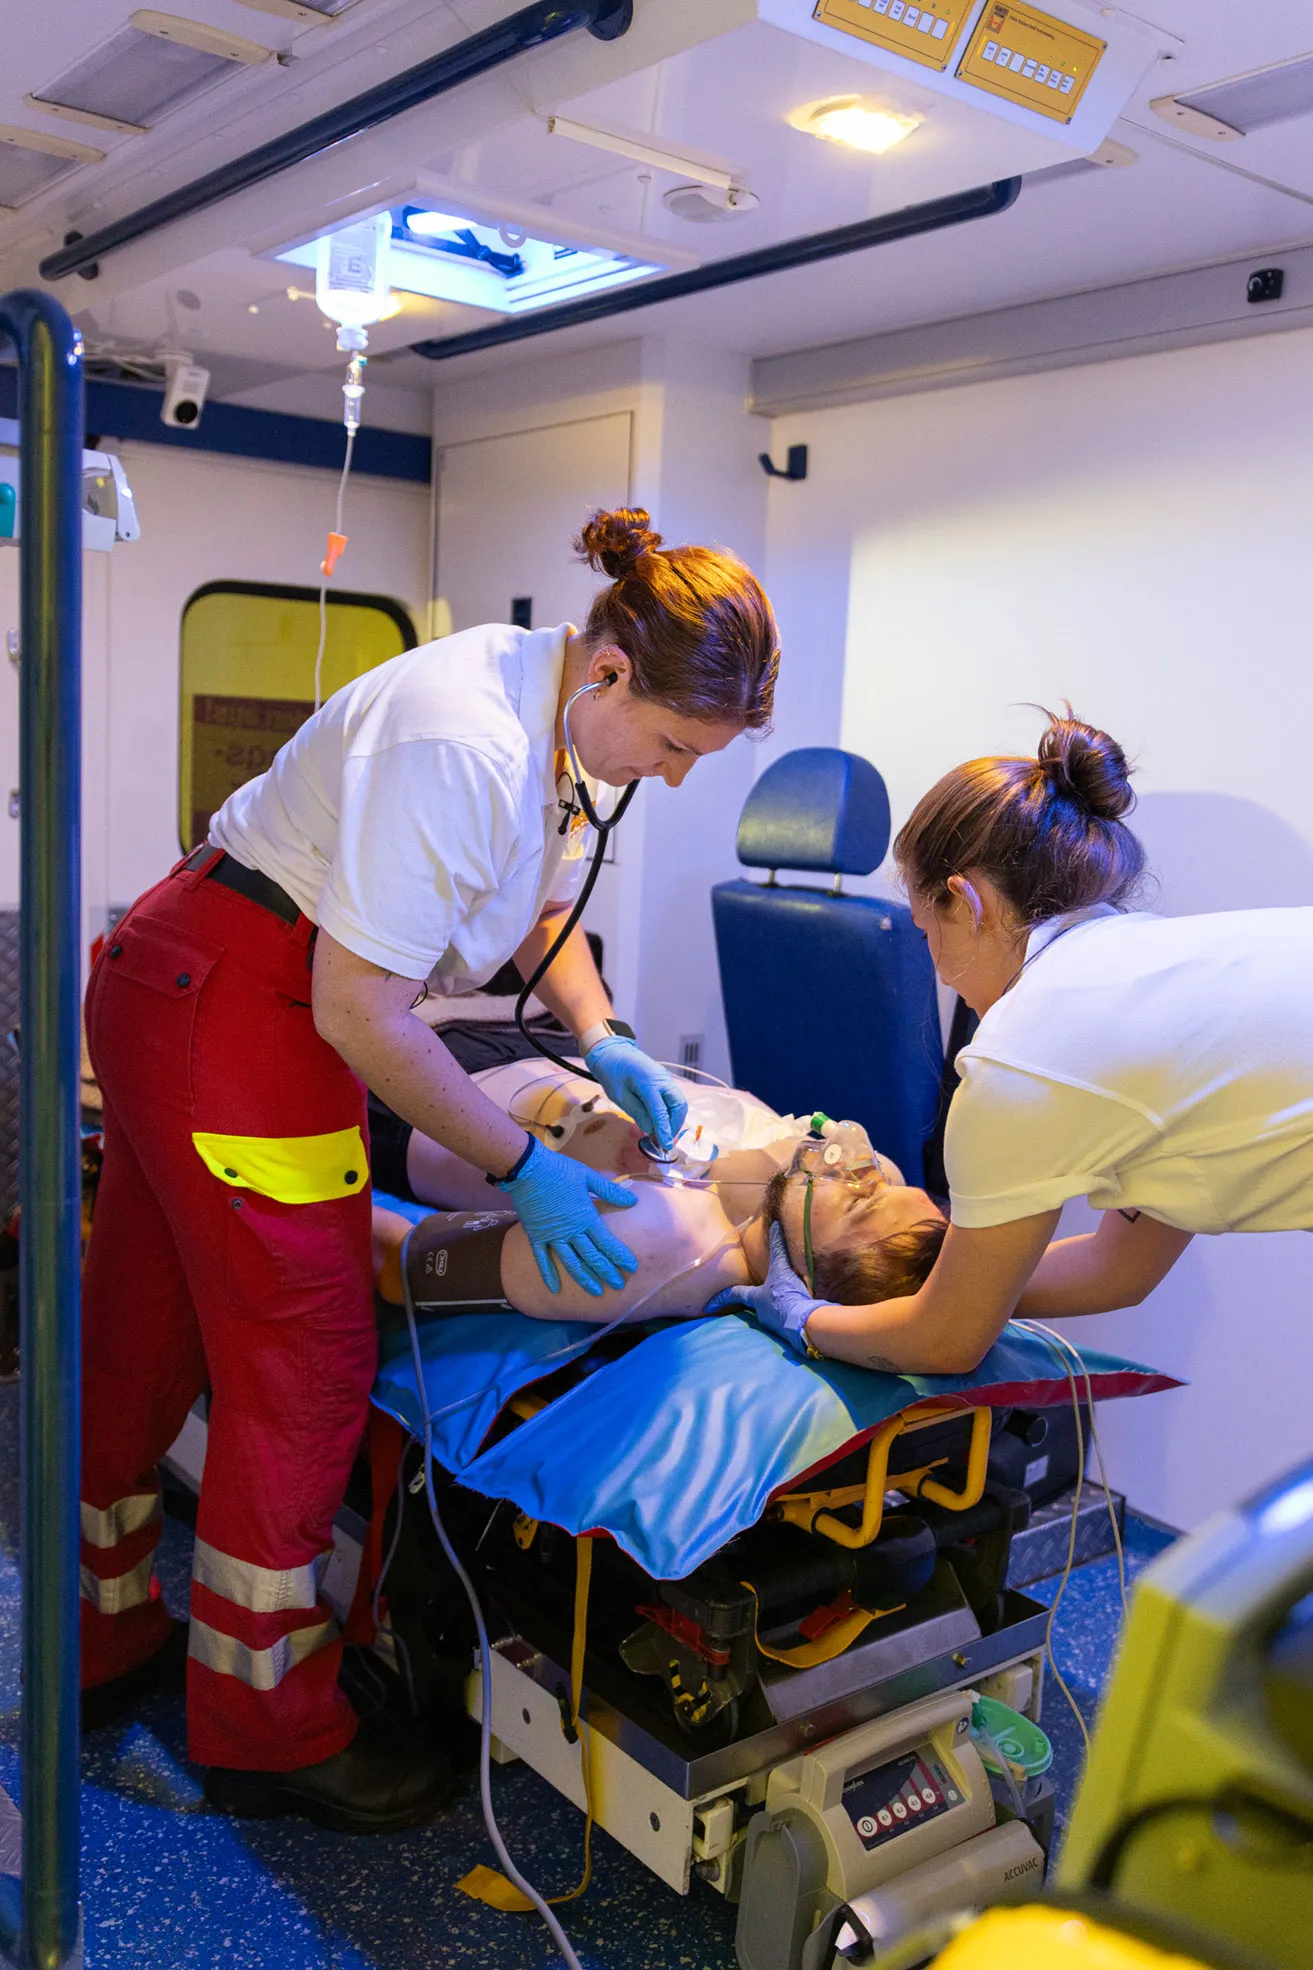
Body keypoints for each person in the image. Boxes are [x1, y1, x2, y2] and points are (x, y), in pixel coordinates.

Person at [78, 506, 779, 1831]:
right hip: (245, 1003)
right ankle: (266, 1723)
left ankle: (103, 1634)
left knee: (148, 1319)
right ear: (613, 676)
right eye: (679, 748)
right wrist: (522, 1161)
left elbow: (536, 910)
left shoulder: (555, 709)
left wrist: (605, 1037)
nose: (679, 777)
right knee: (310, 1350)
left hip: (199, 982)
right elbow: (362, 1015)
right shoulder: (467, 736)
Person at [729, 711, 1313, 1375]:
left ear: (965, 902)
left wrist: (808, 1321)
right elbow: (1117, 1270)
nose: (940, 972)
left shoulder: (1022, 1054)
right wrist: (948, 1287)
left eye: (927, 935)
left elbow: (945, 1342)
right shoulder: (1141, 973)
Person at [371, 1117, 946, 1326]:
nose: (862, 1166)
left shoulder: (658, 1244)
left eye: (861, 1198)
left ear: (806, 1282)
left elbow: (405, 1268)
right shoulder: (780, 1185)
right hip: (530, 1038)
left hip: (420, 1107)